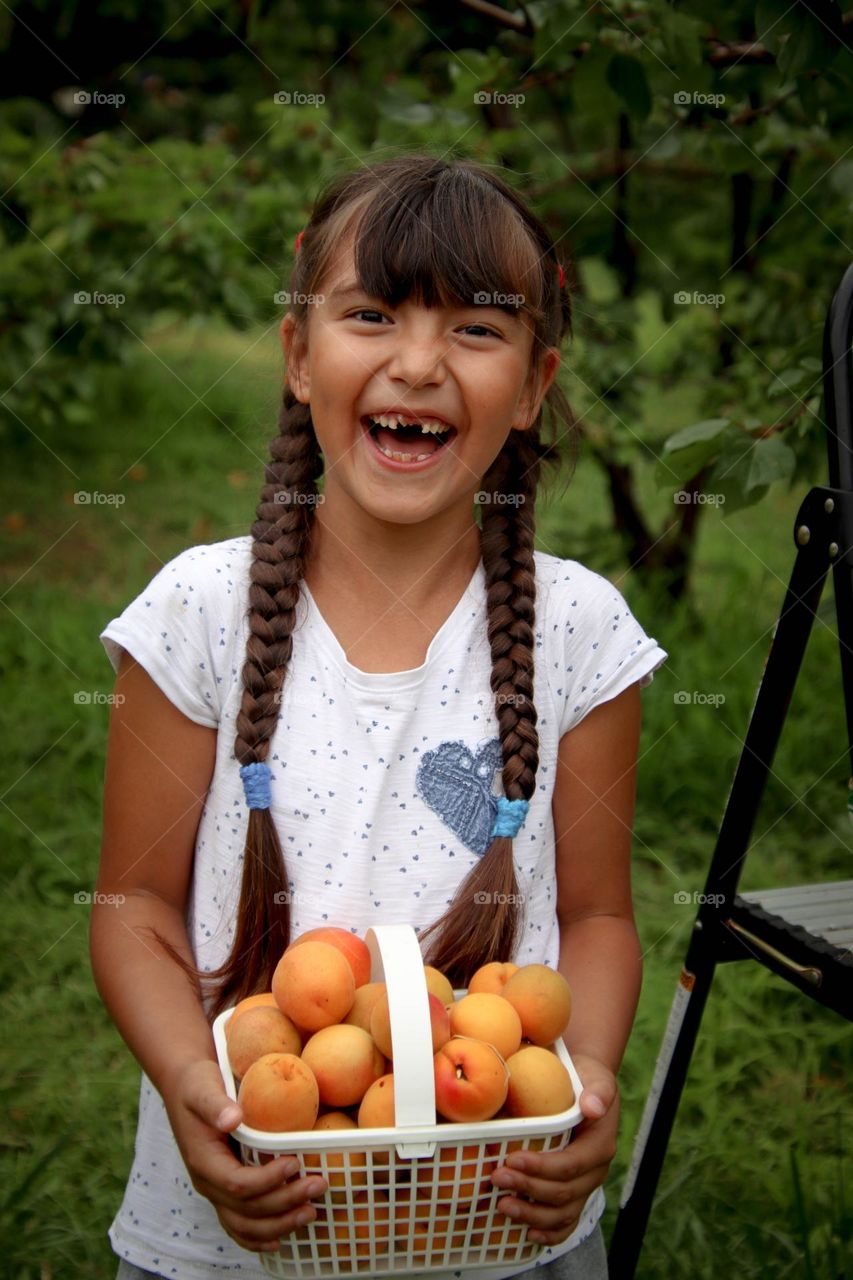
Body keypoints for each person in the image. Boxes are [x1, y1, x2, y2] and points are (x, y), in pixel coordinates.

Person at [92, 152, 668, 1280]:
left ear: (537, 383)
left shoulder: (581, 631)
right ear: (300, 356)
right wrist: (197, 1094)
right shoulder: (200, 612)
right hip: (239, 1224)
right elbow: (132, 907)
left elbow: (598, 916)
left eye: (475, 329)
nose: (417, 364)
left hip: (492, 1213)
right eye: (371, 315)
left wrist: (587, 1074)